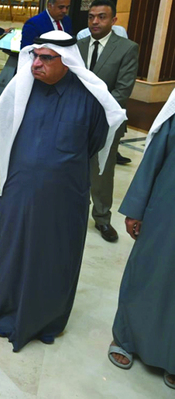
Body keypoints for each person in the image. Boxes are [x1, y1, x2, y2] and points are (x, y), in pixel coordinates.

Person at [0, 31, 125, 352]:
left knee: (55, 258)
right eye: (35, 56)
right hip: (19, 192)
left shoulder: (89, 98)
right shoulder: (23, 89)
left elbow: (94, 142)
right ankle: (8, 314)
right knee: (14, 253)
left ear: (68, 62)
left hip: (64, 197)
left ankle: (47, 320)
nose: (36, 63)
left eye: (46, 58)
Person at [107, 88, 175, 391]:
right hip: (167, 209)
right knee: (149, 271)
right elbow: (154, 158)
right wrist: (136, 209)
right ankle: (126, 338)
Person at [77, 0, 139, 242]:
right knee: (74, 167)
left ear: (113, 20)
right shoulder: (78, 45)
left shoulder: (126, 48)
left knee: (102, 172)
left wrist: (93, 113)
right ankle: (75, 211)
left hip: (107, 121)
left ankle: (102, 218)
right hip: (76, 120)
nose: (95, 21)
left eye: (101, 17)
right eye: (91, 16)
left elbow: (122, 90)